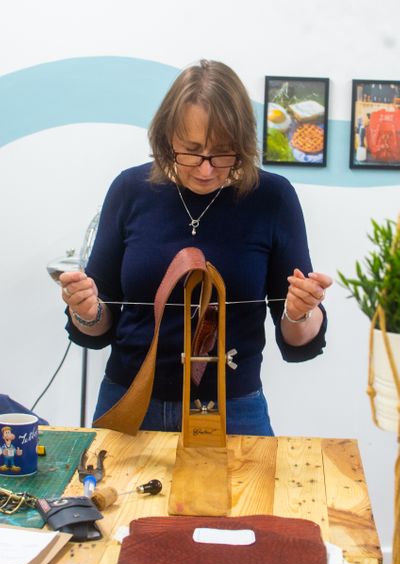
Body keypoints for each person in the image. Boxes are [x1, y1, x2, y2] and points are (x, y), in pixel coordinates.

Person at [59, 59, 332, 436]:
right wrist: (87, 311)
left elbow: (297, 340)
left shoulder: (272, 198)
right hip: (131, 404)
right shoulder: (129, 190)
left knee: (248, 499)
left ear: (243, 143)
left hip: (232, 410)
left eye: (222, 152)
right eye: (191, 150)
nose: (205, 169)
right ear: (166, 137)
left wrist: (302, 312)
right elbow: (96, 328)